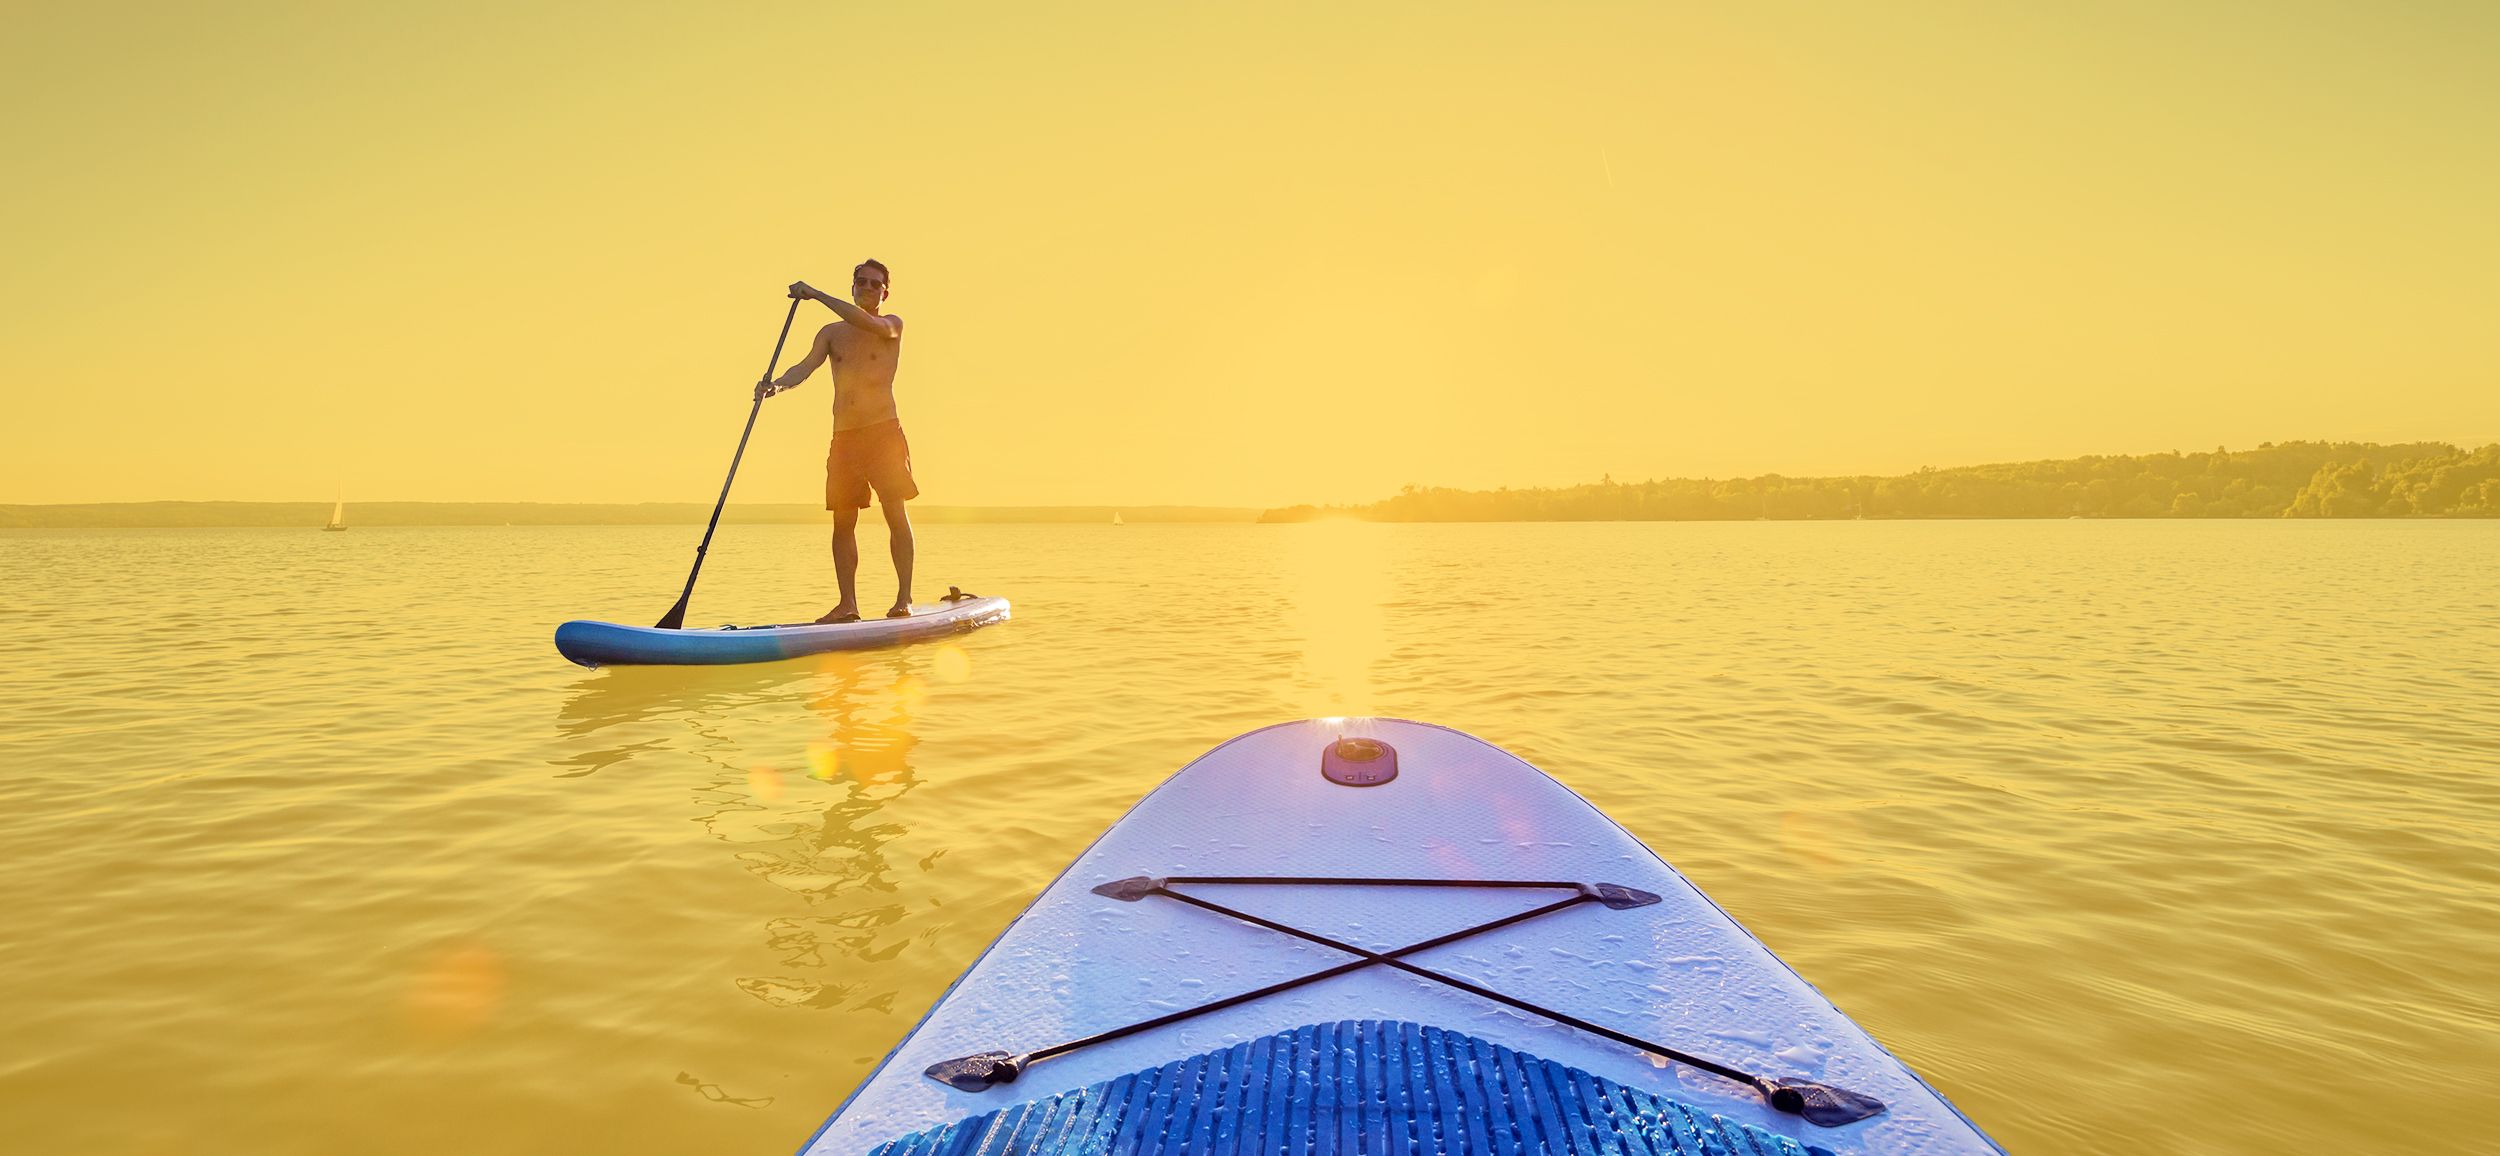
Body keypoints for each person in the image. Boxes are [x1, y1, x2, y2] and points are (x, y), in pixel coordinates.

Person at [756, 259, 917, 622]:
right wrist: (776, 385)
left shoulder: (890, 325)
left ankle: (903, 599)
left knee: (895, 512)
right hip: (844, 439)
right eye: (860, 281)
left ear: (884, 292)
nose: (866, 287)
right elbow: (805, 367)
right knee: (842, 523)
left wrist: (816, 294)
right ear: (853, 286)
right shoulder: (831, 333)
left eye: (875, 284)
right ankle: (848, 605)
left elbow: (866, 321)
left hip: (883, 433)